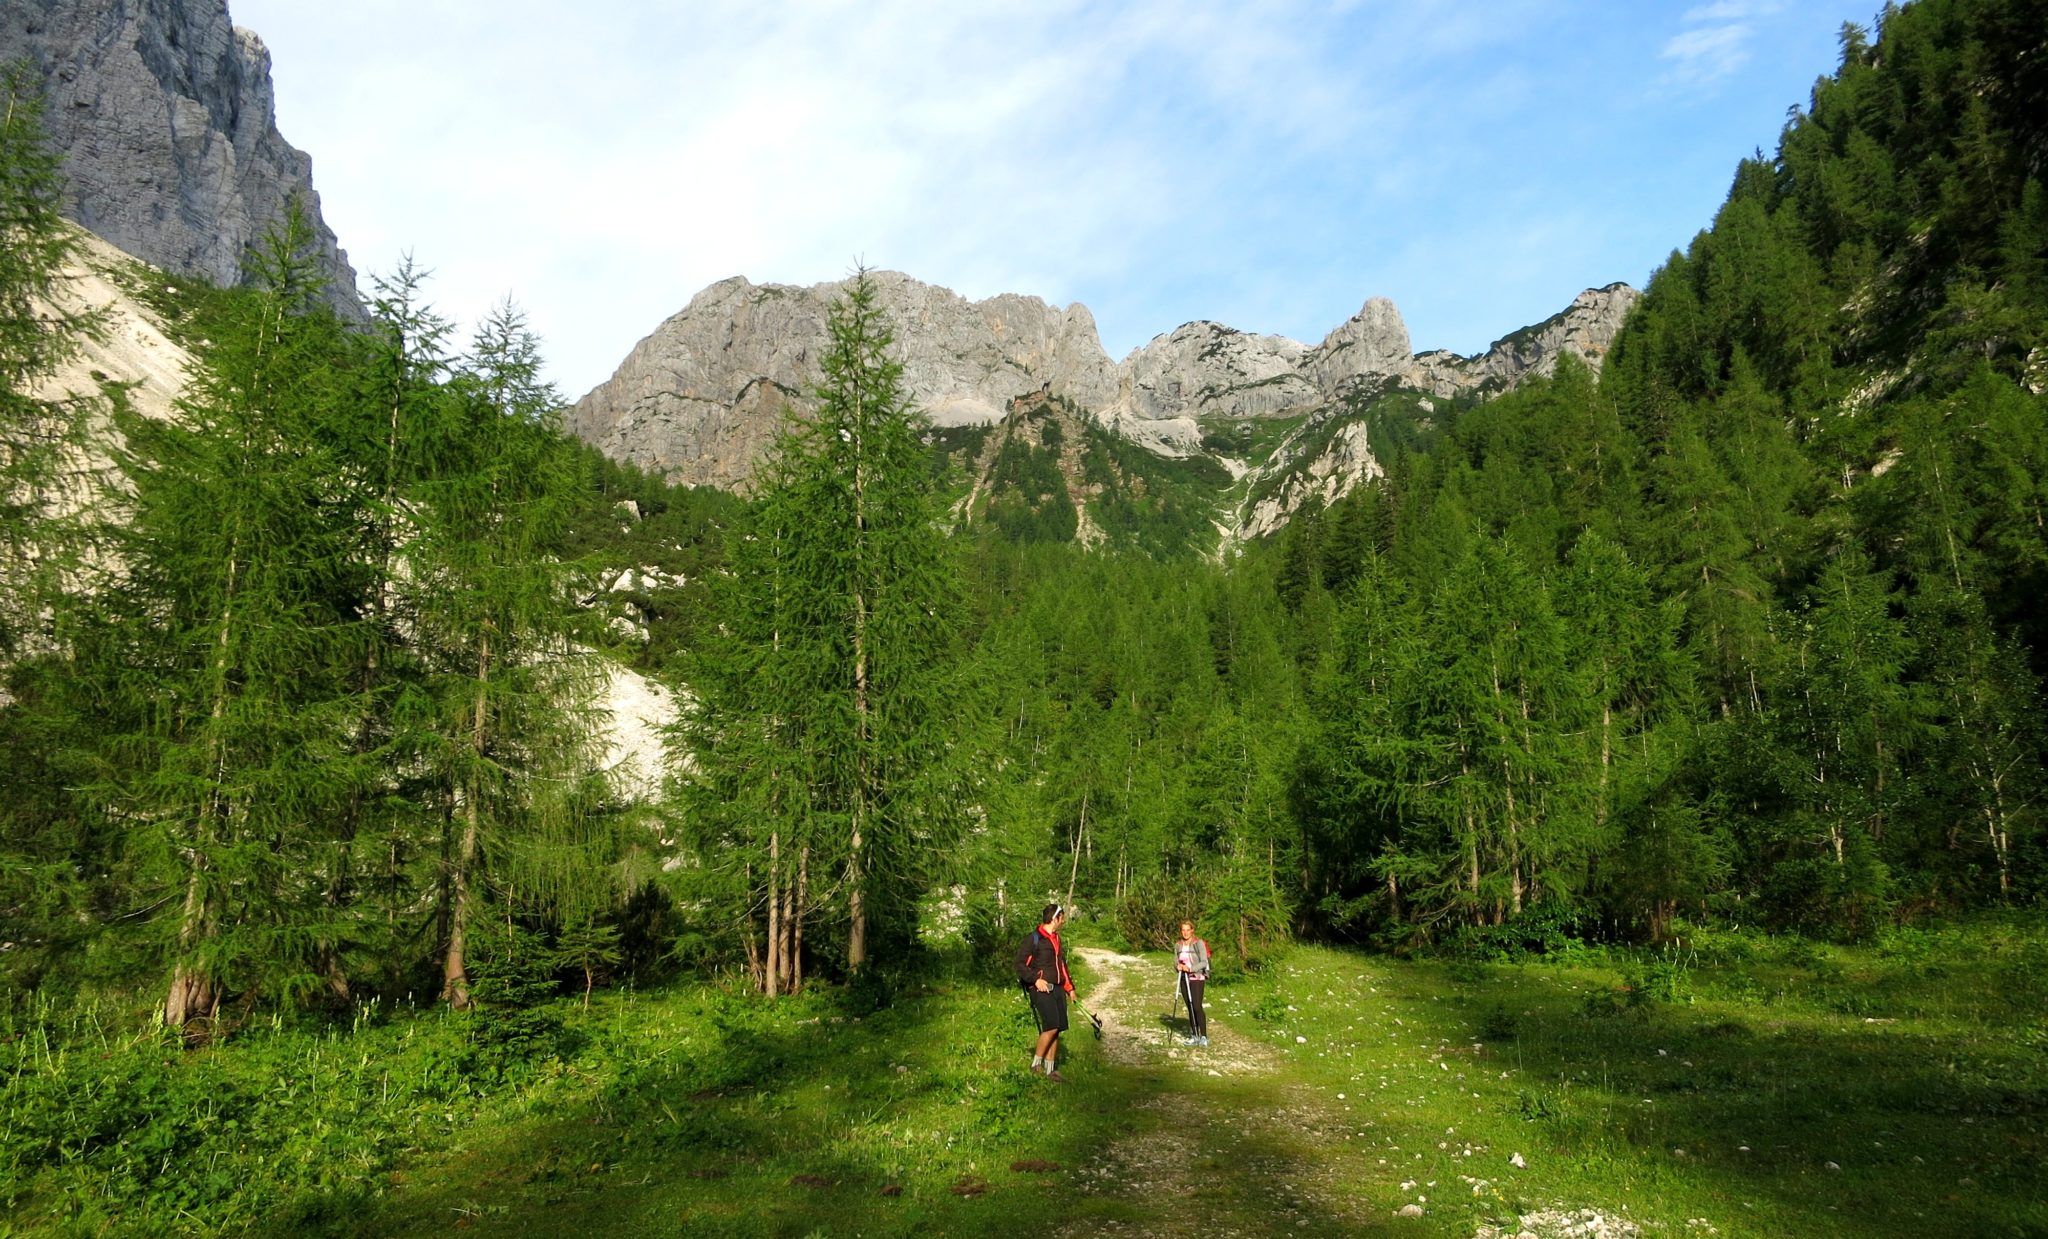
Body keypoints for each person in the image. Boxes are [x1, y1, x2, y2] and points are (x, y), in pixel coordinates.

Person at [1016, 902, 1076, 1082]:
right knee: (1050, 1026)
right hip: (1040, 988)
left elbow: (1061, 966)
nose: (1063, 921)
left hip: (1057, 988)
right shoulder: (1034, 939)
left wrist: (1070, 988)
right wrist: (1036, 979)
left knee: (1057, 1029)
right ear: (1055, 918)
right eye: (1062, 917)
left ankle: (1050, 1071)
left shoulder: (1056, 939)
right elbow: (1019, 964)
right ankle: (1035, 1066)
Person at [1175, 920, 1211, 1046]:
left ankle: (1204, 1036)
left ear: (1192, 930)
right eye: (1183, 930)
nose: (1185, 933)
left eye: (1187, 930)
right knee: (1190, 1007)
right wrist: (1178, 966)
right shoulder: (1178, 945)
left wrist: (1190, 969)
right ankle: (1194, 1035)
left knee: (1196, 1006)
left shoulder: (1198, 943)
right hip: (1184, 979)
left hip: (1196, 977)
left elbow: (1204, 962)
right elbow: (1175, 961)